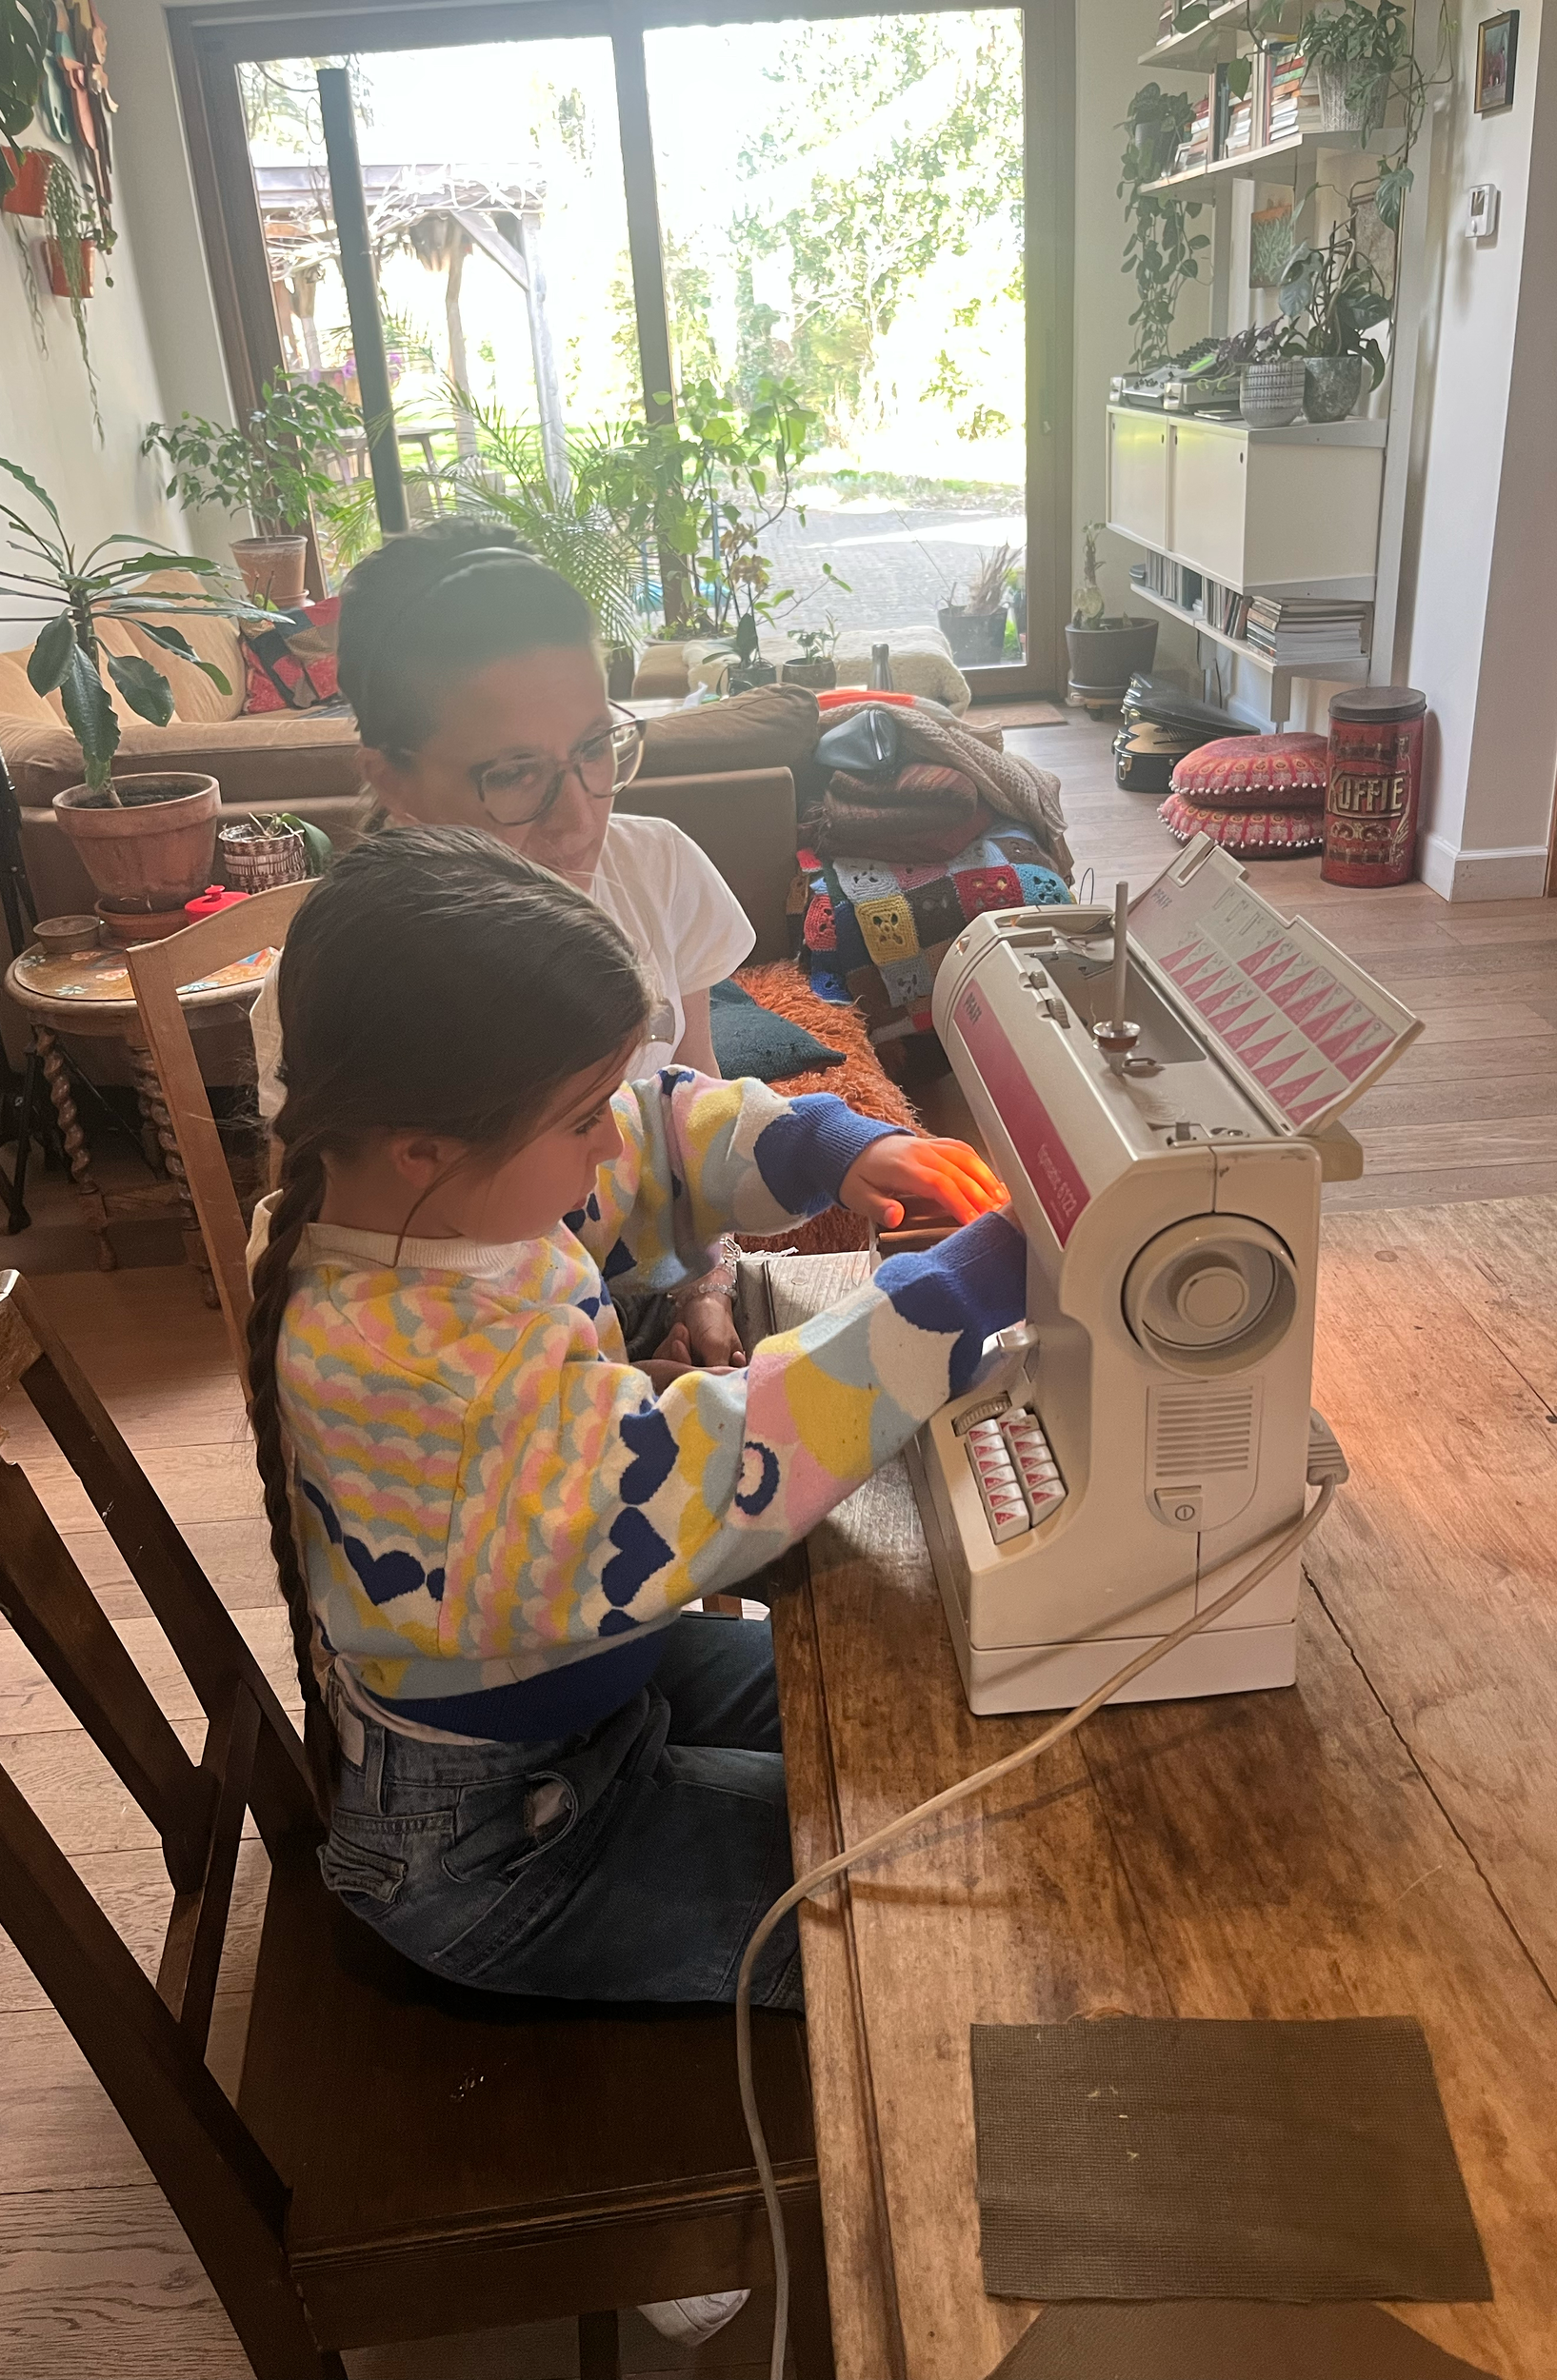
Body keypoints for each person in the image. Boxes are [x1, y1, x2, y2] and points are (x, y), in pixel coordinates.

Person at [247, 823, 1022, 2017]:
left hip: (592, 1693)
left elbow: (655, 1125)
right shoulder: (407, 1369)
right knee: (931, 1902)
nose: (608, 1137)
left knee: (921, 1700)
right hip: (500, 1847)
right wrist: (935, 1305)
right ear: (423, 1148)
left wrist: (831, 1140)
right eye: (578, 1119)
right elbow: (679, 1486)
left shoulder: (438, 1198)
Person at [250, 517, 759, 1364]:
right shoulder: (339, 992)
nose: (580, 815)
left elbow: (688, 1106)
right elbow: (348, 1280)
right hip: (481, 1371)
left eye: (595, 747)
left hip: (640, 1323)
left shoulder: (660, 865)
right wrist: (597, 1383)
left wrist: (705, 1289)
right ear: (393, 779)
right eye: (515, 773)